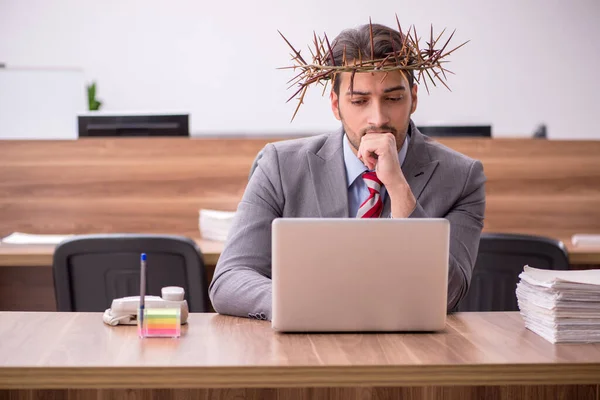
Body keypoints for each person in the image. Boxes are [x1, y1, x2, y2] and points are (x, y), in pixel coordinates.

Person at [209, 22, 486, 320]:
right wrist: (308, 304)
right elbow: (229, 279)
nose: (378, 118)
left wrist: (399, 189)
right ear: (335, 104)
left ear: (413, 98)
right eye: (359, 101)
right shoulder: (279, 165)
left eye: (393, 99)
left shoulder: (462, 177)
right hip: (307, 348)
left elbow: (449, 293)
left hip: (410, 354)